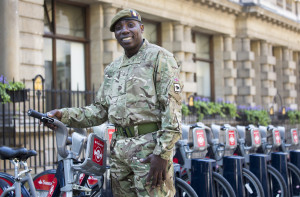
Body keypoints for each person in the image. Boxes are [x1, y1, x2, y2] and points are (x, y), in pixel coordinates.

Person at [46, 8, 183, 197]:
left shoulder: (160, 58)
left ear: (141, 28)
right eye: (118, 28)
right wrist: (64, 115)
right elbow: (100, 110)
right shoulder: (113, 68)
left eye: (130, 25)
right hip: (119, 151)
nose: (124, 31)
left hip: (150, 150)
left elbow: (172, 108)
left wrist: (162, 154)